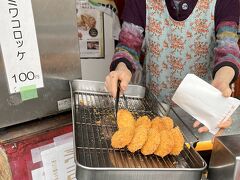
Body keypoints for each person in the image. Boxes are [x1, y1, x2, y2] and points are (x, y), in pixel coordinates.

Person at [105, 0, 240, 133]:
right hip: (154, 108)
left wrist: (222, 80)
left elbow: (227, 49)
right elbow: (128, 44)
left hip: (202, 113)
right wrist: (121, 68)